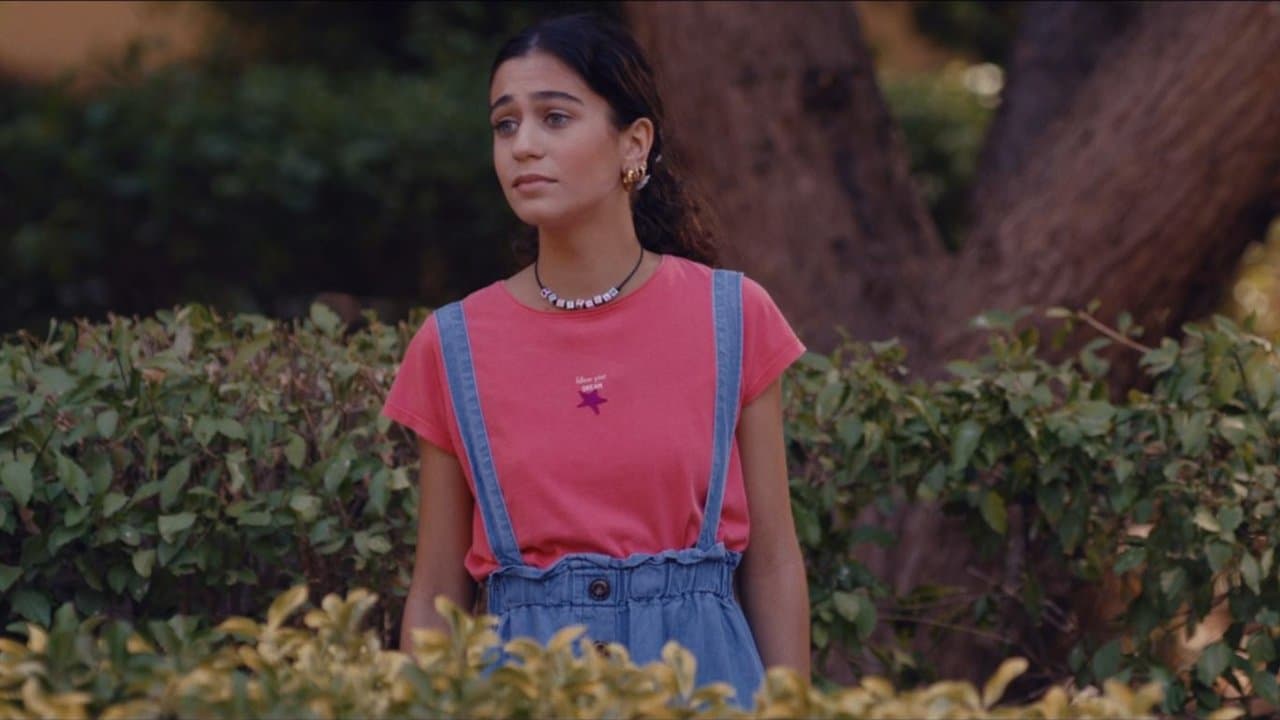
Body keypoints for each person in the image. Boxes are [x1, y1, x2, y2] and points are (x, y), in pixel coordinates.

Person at [382, 12, 810, 707]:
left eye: (554, 118)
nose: (523, 145)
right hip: (523, 692)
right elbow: (436, 588)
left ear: (633, 143)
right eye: (505, 124)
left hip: (704, 686)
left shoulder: (733, 316)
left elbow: (773, 563)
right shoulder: (454, 343)